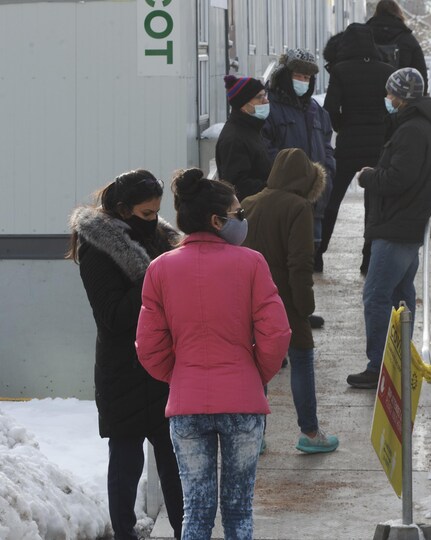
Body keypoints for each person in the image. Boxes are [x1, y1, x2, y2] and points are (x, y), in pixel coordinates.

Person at [136, 169, 290, 540]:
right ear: (217, 220)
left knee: (196, 512)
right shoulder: (251, 263)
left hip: (186, 405)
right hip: (243, 402)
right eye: (237, 213)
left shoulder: (160, 269)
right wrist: (255, 374)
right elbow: (276, 332)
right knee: (238, 511)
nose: (242, 220)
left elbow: (149, 345)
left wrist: (181, 376)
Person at [67, 170, 184, 540]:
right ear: (122, 209)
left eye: (156, 212)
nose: (153, 220)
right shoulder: (98, 249)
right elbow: (113, 317)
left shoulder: (162, 238)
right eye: (146, 214)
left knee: (174, 461)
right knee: (126, 461)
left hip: (162, 367)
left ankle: (188, 532)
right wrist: (156, 278)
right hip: (123, 371)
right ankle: (124, 533)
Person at [346, 68, 431, 389]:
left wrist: (368, 176)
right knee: (401, 297)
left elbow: (399, 178)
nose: (387, 99)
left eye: (390, 94)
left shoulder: (412, 130)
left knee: (376, 296)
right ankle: (399, 360)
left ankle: (379, 366)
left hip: (396, 227)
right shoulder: (418, 126)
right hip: (407, 224)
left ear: (400, 97)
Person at [241, 148, 339, 454]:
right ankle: (310, 432)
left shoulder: (249, 203)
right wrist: (305, 305)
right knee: (301, 359)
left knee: (257, 365)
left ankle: (254, 434)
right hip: (285, 300)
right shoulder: (298, 208)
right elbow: (300, 262)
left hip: (251, 299)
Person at [321, 23, 395, 276]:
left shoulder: (340, 70)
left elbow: (330, 107)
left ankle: (318, 254)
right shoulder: (386, 70)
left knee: (332, 199)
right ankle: (368, 260)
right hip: (377, 146)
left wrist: (342, 126)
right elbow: (392, 108)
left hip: (348, 143)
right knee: (372, 205)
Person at [263, 48, 336, 284]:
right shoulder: (270, 108)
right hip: (282, 200)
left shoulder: (316, 111)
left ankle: (302, 311)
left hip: (314, 201)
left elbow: (326, 146)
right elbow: (265, 149)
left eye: (307, 77)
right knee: (278, 263)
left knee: (305, 260)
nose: (303, 81)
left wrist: (327, 174)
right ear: (285, 75)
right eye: (298, 75)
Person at [215, 75, 272, 202]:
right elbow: (237, 186)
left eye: (265, 95)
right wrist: (273, 186)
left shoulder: (252, 129)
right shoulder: (234, 138)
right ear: (243, 105)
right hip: (249, 213)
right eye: (259, 97)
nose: (266, 101)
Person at [366, 0, 429, 94]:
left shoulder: (364, 37)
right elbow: (421, 74)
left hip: (369, 96)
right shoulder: (408, 39)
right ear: (398, 13)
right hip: (400, 100)